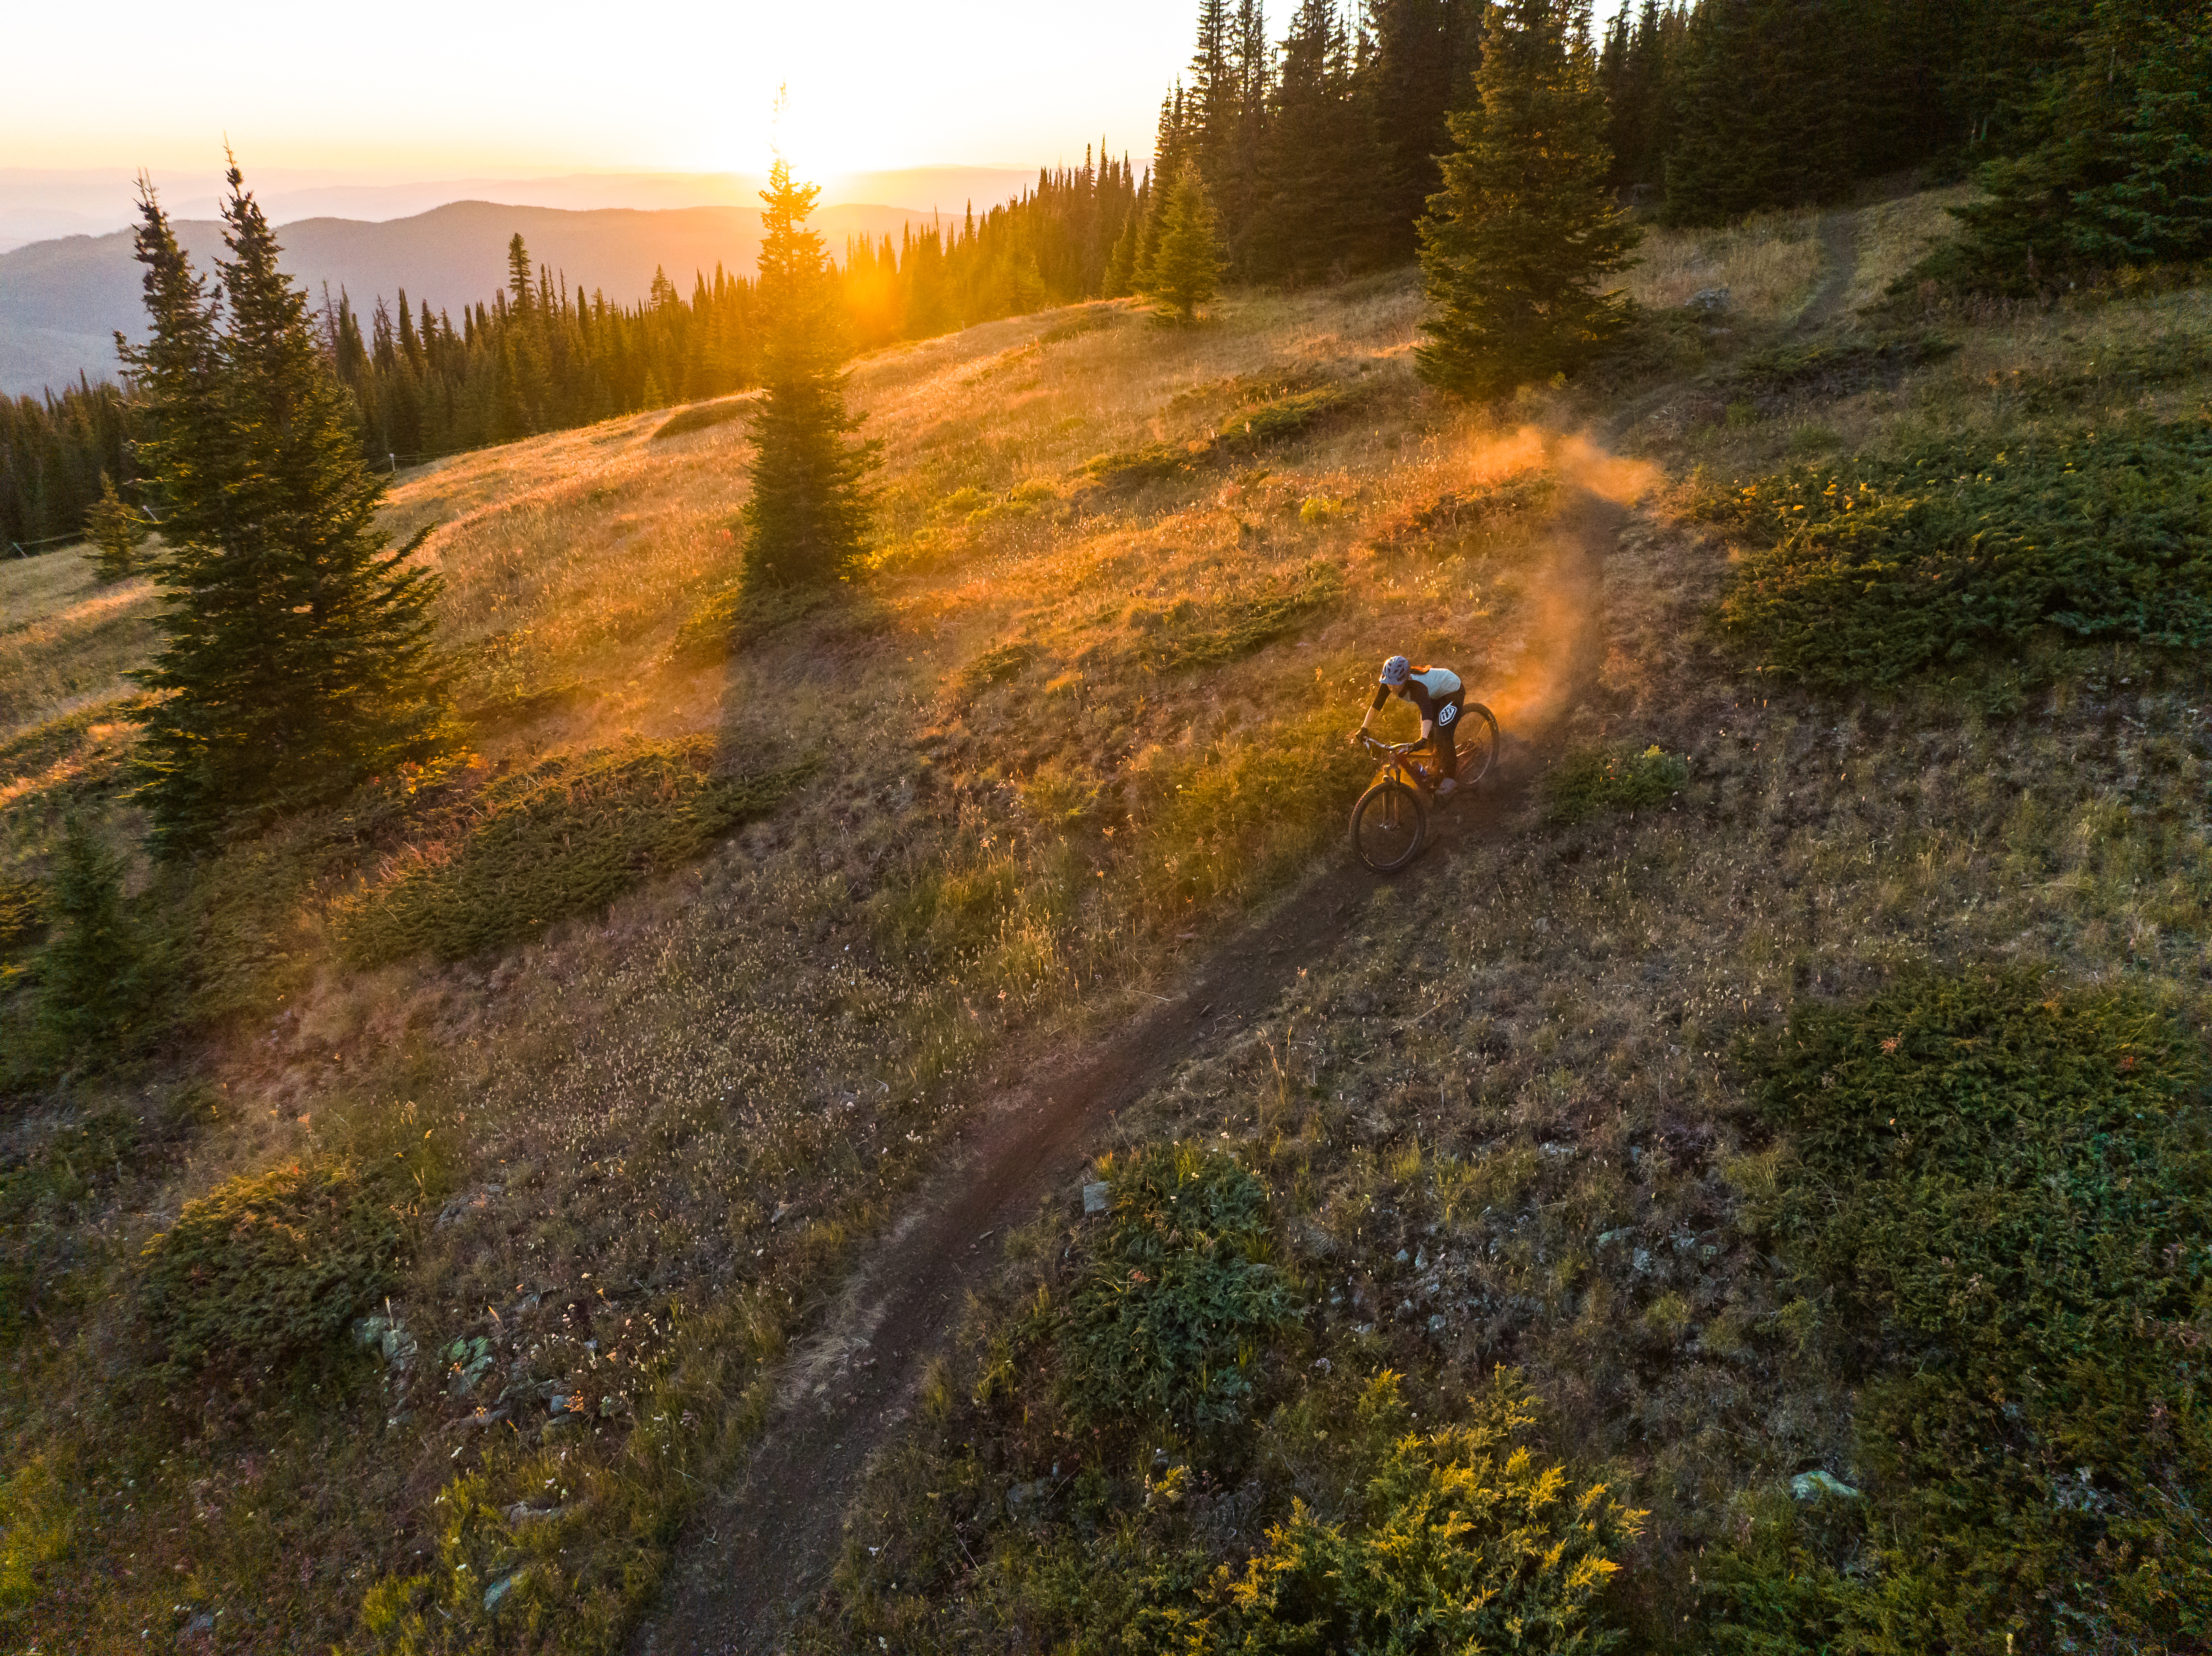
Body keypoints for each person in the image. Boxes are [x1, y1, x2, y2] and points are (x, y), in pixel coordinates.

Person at [1355, 655, 1466, 795]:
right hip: (1434, 695)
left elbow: (1426, 714)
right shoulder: (1388, 682)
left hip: (1451, 690)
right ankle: (1438, 767)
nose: (1392, 686)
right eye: (1389, 682)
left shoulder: (1418, 687)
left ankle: (1450, 778)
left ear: (1406, 679)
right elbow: (1377, 705)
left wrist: (1423, 739)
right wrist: (1364, 728)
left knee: (1443, 733)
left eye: (1397, 683)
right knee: (1430, 733)